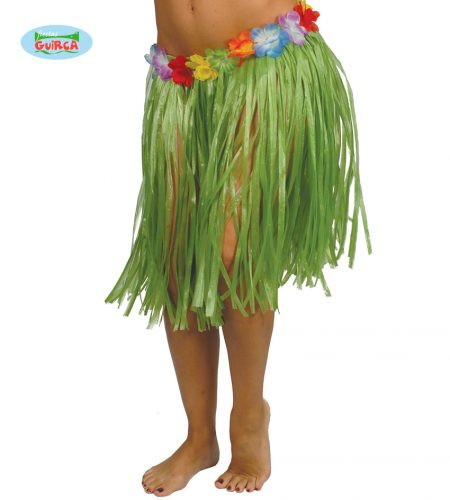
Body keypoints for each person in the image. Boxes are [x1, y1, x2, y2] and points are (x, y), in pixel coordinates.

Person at [104, 0, 372, 495]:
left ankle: (249, 418)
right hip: (179, 79)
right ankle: (198, 437)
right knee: (179, 261)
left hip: (261, 68)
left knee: (233, 251)